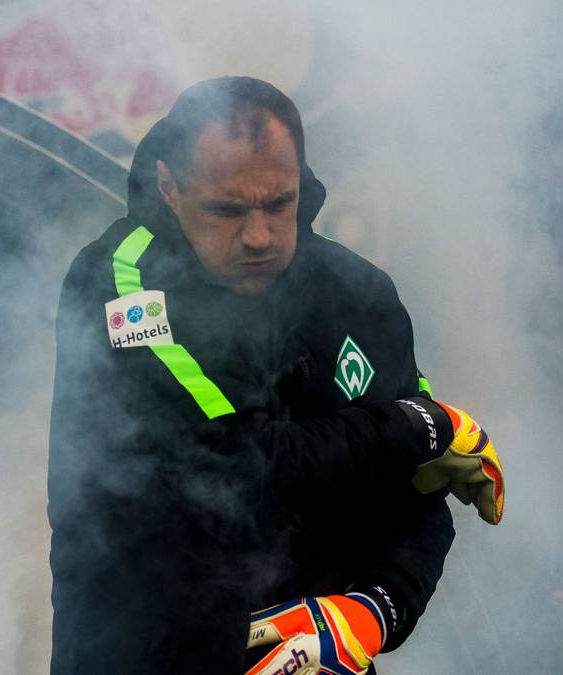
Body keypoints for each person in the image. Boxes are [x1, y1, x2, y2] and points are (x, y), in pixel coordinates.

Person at [46, 76, 505, 674]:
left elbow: (418, 496)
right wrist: (418, 424)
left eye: (278, 203)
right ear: (170, 187)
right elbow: (236, 468)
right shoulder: (124, 283)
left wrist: (374, 610)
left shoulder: (358, 292)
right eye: (227, 209)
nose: (258, 236)